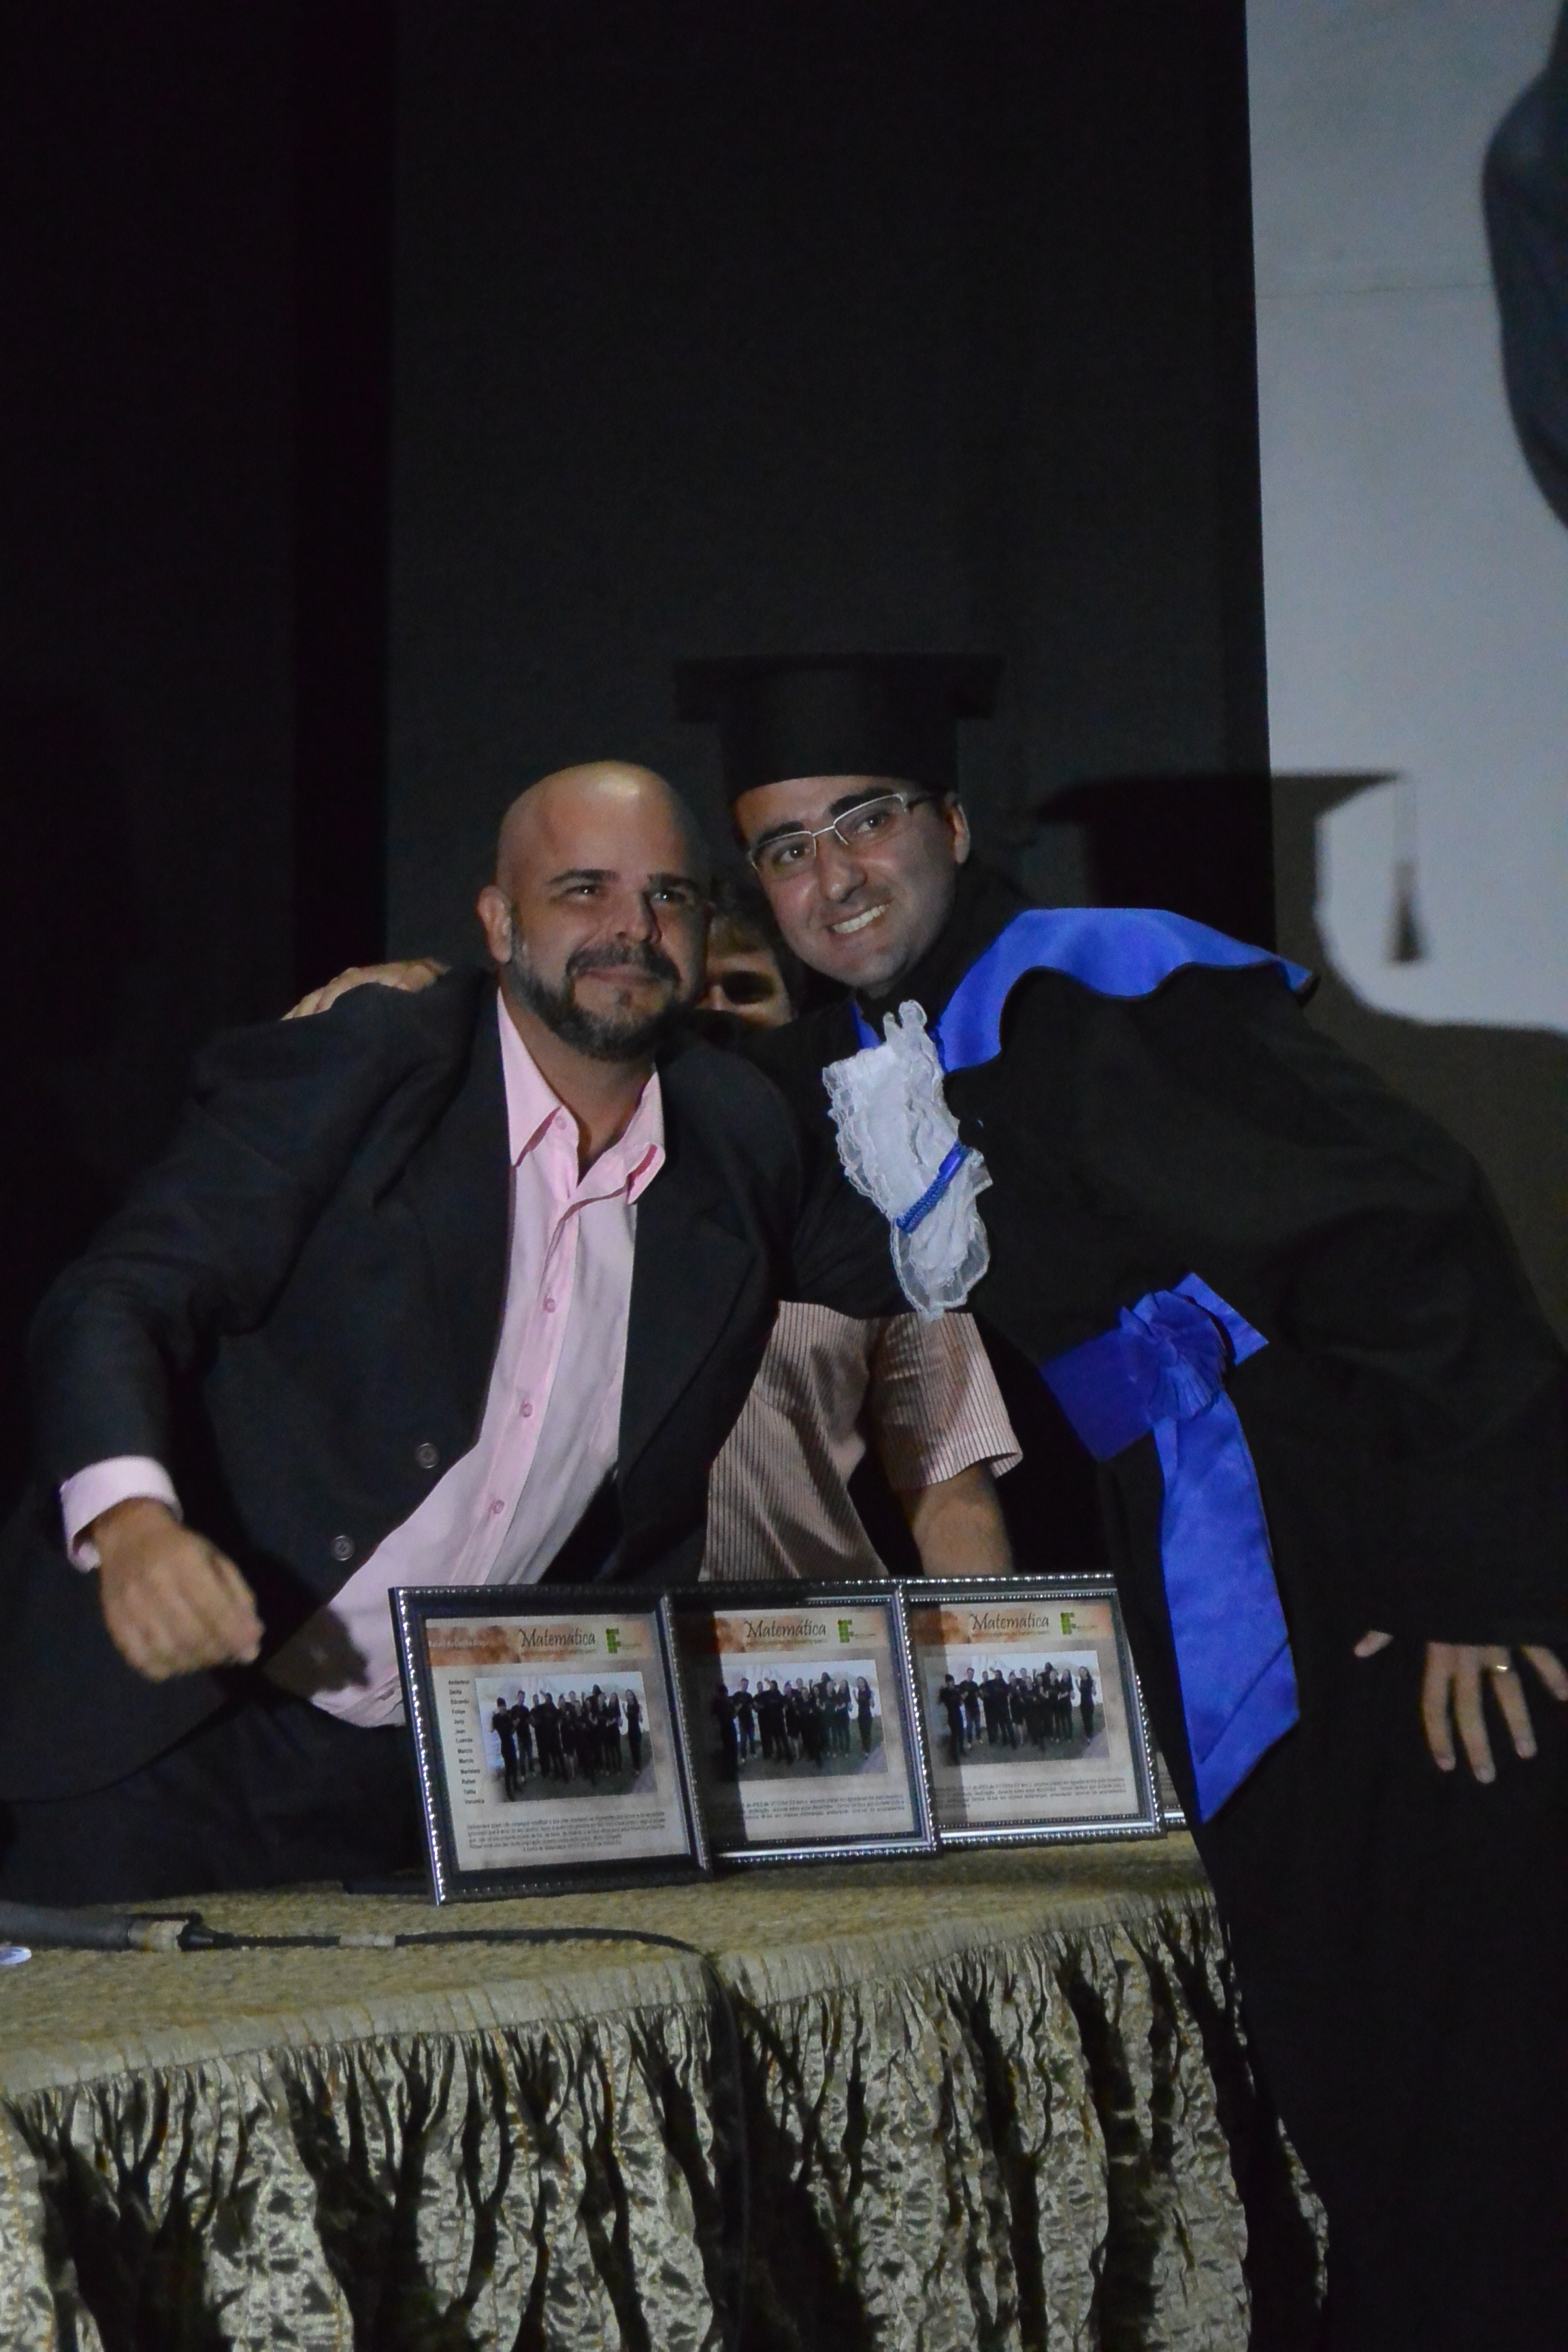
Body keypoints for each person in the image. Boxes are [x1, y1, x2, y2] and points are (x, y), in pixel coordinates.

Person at [672, 650, 1568, 2352]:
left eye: (865, 822)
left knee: (1471, 2121)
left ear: (952, 824)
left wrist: (1486, 1585)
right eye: (785, 848)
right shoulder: (881, 1067)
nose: (832, 875)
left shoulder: (1100, 990)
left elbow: (1415, 1233)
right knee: (1365, 2104)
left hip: (1376, 1581)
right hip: (1215, 1563)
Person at [0, 761, 899, 1904]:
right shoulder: (377, 1059)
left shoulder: (739, 1134)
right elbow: (117, 1296)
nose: (632, 928)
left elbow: (911, 1275)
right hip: (165, 1743)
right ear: (500, 921)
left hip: (423, 1786)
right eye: (584, 889)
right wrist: (131, 1524)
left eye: (668, 896)